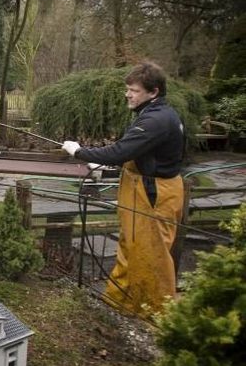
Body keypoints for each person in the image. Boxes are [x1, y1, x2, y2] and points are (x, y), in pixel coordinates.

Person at [61, 61, 185, 318]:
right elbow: (137, 152)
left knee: (152, 256)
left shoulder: (156, 120)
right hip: (142, 187)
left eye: (134, 90)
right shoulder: (153, 114)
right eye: (127, 89)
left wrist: (80, 152)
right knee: (131, 246)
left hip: (154, 195)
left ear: (154, 92)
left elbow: (121, 151)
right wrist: (103, 162)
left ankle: (158, 314)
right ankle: (122, 304)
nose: (128, 94)